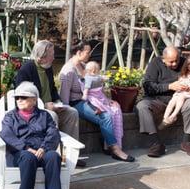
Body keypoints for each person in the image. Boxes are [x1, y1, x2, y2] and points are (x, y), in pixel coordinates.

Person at [0, 81, 63, 189]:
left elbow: (53, 132)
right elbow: (6, 134)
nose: (19, 100)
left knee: (53, 156)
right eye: (17, 97)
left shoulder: (45, 116)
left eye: (23, 97)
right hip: (20, 155)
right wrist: (26, 148)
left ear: (34, 100)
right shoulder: (10, 117)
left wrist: (44, 148)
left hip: (41, 152)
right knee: (28, 158)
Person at [59, 41, 134, 162]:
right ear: (79, 52)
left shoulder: (83, 66)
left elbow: (94, 88)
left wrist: (106, 100)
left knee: (114, 108)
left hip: (91, 99)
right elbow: (64, 97)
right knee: (105, 116)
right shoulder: (68, 71)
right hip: (77, 103)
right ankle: (115, 149)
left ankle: (108, 143)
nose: (90, 55)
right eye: (88, 52)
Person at [14, 39, 85, 167]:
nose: (54, 58)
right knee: (52, 116)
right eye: (51, 55)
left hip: (50, 106)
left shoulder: (47, 68)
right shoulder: (27, 69)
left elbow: (52, 89)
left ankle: (69, 155)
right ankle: (53, 156)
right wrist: (44, 105)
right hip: (35, 111)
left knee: (72, 113)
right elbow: (22, 98)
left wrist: (58, 102)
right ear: (41, 57)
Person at [135, 46, 190, 157]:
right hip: (158, 100)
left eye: (177, 60)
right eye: (171, 62)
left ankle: (187, 142)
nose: (175, 63)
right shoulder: (155, 63)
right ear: (163, 59)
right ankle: (156, 144)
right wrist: (169, 86)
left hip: (181, 99)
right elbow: (147, 86)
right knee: (142, 106)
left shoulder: (185, 62)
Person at [81, 61, 125, 149]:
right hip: (94, 99)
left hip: (101, 98)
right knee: (107, 115)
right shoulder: (88, 78)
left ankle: (114, 142)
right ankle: (110, 145)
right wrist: (85, 95)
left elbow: (103, 79)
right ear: (93, 70)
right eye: (97, 70)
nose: (98, 71)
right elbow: (86, 88)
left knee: (115, 110)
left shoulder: (96, 77)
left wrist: (109, 78)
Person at [159, 53, 190, 128]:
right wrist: (183, 85)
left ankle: (173, 116)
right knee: (172, 101)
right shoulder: (186, 73)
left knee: (181, 97)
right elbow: (181, 80)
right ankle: (165, 118)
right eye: (189, 67)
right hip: (183, 91)